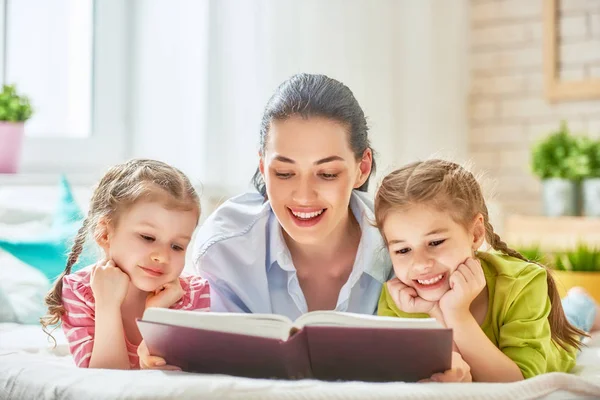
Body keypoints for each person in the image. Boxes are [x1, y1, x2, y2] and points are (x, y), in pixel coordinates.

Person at [139, 74, 471, 382]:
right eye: (284, 173)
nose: (303, 196)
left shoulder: (402, 242)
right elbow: (212, 366)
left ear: (362, 168)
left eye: (327, 174)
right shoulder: (225, 248)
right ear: (262, 167)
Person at [375, 159, 598, 382]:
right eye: (403, 250)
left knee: (575, 318)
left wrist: (457, 314)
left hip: (554, 348)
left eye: (435, 243)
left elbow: (518, 383)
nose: (421, 264)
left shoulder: (523, 283)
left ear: (475, 233)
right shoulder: (400, 297)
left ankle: (581, 302)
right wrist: (435, 311)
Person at [41, 159, 210, 370]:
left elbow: (190, 382)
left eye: (177, 246)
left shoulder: (195, 295)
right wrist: (107, 305)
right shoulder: (80, 292)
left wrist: (156, 314)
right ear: (104, 233)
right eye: (148, 237)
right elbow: (106, 380)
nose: (163, 257)